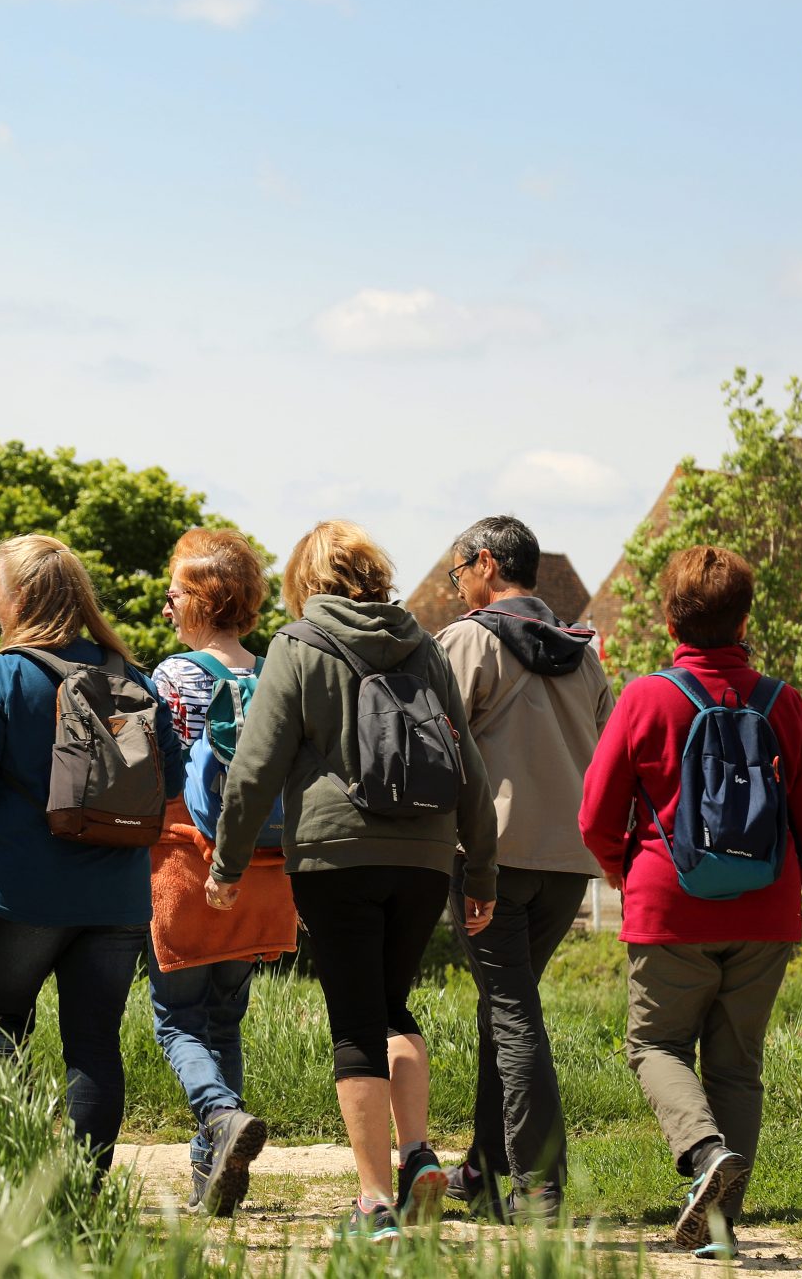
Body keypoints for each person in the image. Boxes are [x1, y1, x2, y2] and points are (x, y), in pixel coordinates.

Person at [208, 520, 498, 1242]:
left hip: (337, 856)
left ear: (307, 581)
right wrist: (480, 871)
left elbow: (255, 767)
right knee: (393, 1006)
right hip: (426, 858)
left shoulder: (297, 645)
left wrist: (227, 864)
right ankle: (417, 1152)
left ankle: (373, 1202)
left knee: (355, 1028)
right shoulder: (423, 643)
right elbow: (471, 772)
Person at [578, 546, 802, 1260]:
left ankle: (703, 1155)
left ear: (671, 615)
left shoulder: (646, 697)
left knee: (654, 1044)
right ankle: (720, 1230)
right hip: (765, 914)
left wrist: (623, 872)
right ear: (743, 619)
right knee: (737, 1066)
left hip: (670, 908)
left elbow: (596, 819)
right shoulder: (780, 702)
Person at [0, 534, 186, 1182]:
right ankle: (81, 1190)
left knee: (0, 1024)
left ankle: (9, 1174)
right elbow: (174, 781)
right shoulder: (129, 674)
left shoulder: (2, 674)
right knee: (94, 1044)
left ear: (16, 599)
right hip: (117, 897)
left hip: (24, 895)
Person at [435, 516, 612, 1222]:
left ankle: (539, 1186)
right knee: (505, 1009)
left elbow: (437, 747)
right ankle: (483, 1169)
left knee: (510, 1012)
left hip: (491, 860)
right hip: (567, 865)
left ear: (484, 564)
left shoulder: (469, 642)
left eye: (457, 575)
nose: (455, 591)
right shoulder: (586, 655)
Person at [147, 528, 297, 1216]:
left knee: (176, 1020)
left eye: (174, 592)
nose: (167, 604)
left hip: (189, 866)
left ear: (203, 600)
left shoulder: (176, 676)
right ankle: (213, 1178)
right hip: (264, 872)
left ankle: (218, 1115)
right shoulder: (274, 672)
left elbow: (158, 776)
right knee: (225, 1019)